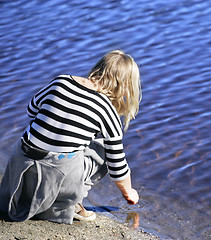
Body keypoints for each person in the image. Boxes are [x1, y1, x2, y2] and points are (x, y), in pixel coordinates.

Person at [0, 50, 142, 224]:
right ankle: (71, 202)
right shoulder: (107, 110)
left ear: (97, 68)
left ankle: (28, 192)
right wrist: (129, 192)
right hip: (56, 171)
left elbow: (31, 109)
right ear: (126, 86)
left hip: (21, 160)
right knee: (104, 149)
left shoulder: (62, 81)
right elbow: (117, 166)